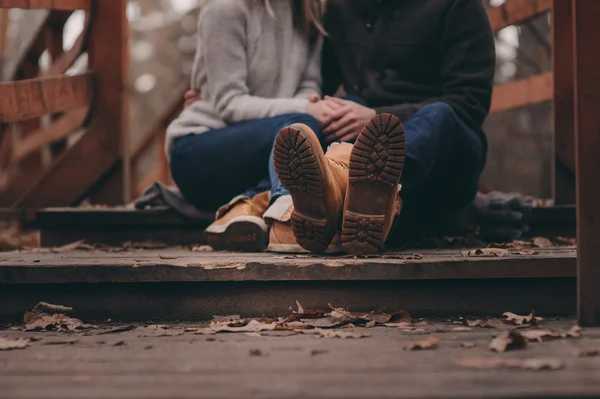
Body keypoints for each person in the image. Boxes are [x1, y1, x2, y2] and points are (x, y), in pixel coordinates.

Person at [273, 0, 496, 254]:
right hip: (364, 148)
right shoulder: (339, 9)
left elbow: (470, 101)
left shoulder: (459, 6)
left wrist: (377, 115)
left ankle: (346, 192)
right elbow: (321, 80)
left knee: (439, 115)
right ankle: (336, 196)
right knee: (330, 113)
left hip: (446, 158)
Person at [167, 0, 343, 252]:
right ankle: (288, 213)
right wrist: (303, 108)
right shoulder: (225, 10)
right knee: (298, 127)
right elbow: (230, 103)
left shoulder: (309, 15)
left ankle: (246, 207)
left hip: (263, 153)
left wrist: (310, 106)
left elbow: (309, 84)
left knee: (324, 121)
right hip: (200, 150)